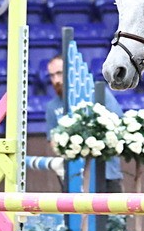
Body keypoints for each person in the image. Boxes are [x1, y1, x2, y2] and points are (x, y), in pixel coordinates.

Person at [44, 55, 124, 193]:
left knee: (112, 215)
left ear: (71, 71)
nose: (56, 80)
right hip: (72, 176)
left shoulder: (98, 93)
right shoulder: (52, 107)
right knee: (72, 215)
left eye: (59, 73)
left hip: (106, 174)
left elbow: (118, 126)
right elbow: (53, 143)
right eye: (51, 76)